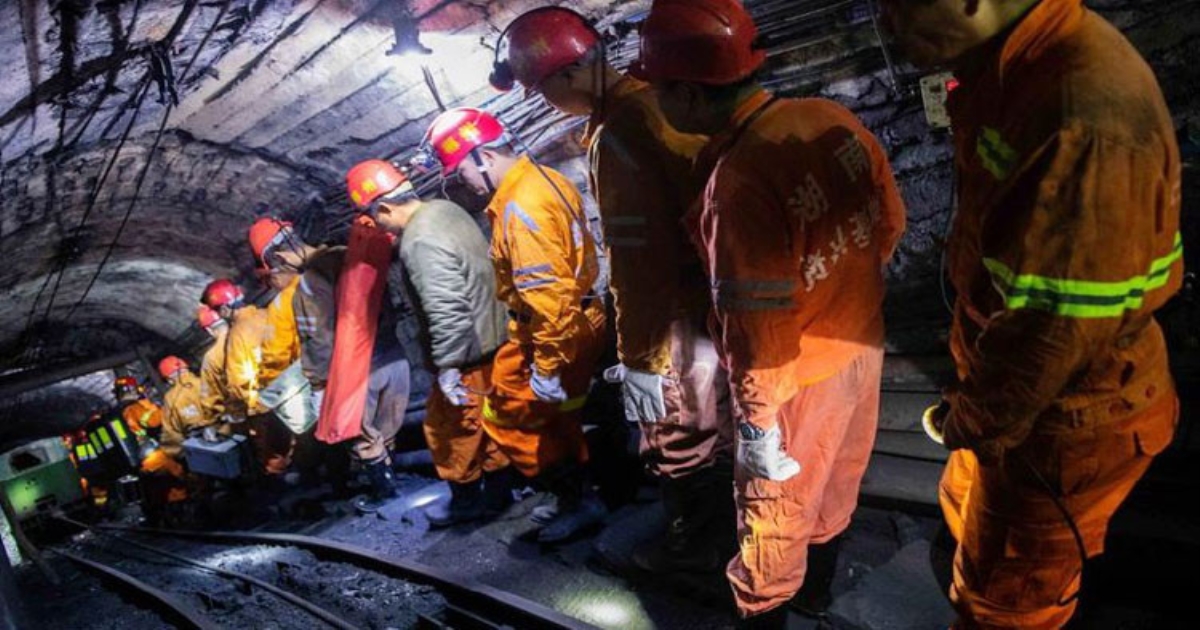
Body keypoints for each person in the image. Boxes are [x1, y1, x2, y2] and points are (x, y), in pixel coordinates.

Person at [879, 0, 1183, 627]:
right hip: (1004, 392)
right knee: (967, 516)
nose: (886, 26)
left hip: (1061, 417)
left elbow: (1053, 333)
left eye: (895, 7)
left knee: (1009, 597)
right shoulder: (1009, 68)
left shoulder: (1081, 116)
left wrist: (977, 421)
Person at [636, 0, 907, 623]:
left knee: (774, 512)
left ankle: (767, 613)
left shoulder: (739, 181)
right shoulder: (830, 119)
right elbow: (888, 226)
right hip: (860, 348)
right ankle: (819, 596)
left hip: (794, 378)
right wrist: (842, 293)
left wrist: (757, 426)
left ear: (687, 92)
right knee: (837, 482)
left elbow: (754, 326)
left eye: (657, 91)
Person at [493, 6, 736, 572]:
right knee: (716, 425)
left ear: (563, 77)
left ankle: (695, 555)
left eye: (542, 90)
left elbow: (637, 255)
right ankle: (722, 537)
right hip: (710, 293)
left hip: (677, 307)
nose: (547, 102)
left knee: (677, 436)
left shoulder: (621, 129)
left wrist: (640, 357)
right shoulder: (657, 96)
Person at [420, 107, 607, 542]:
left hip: (549, 331)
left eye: (461, 167)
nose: (461, 179)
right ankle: (578, 497)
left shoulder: (521, 206)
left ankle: (578, 500)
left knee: (505, 418)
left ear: (482, 156)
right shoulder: (543, 180)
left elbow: (546, 293)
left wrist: (545, 364)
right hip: (575, 319)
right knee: (560, 416)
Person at [346, 159, 513, 526]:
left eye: (376, 219)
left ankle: (467, 505)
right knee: (490, 427)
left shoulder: (418, 240)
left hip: (467, 354)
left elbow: (445, 307)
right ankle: (500, 497)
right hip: (492, 342)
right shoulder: (444, 209)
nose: (379, 228)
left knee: (448, 433)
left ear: (385, 207)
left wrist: (448, 366)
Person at [259, 218, 412, 513]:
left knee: (363, 438)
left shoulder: (308, 284)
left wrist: (319, 385)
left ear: (279, 257)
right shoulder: (349, 254)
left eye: (276, 267)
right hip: (393, 356)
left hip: (357, 373)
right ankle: (396, 485)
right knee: (386, 429)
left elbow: (318, 339)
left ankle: (386, 495)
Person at [201, 278, 293, 477]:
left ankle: (286, 491)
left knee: (274, 457)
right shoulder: (267, 314)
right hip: (295, 387)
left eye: (217, 311)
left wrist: (245, 410)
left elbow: (238, 381)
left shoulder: (237, 334)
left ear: (224, 309)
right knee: (302, 443)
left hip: (267, 404)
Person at [157, 355, 226, 460]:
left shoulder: (171, 398)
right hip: (229, 435)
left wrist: (175, 452)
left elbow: (171, 431)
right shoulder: (207, 382)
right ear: (186, 369)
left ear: (169, 379)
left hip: (203, 450)